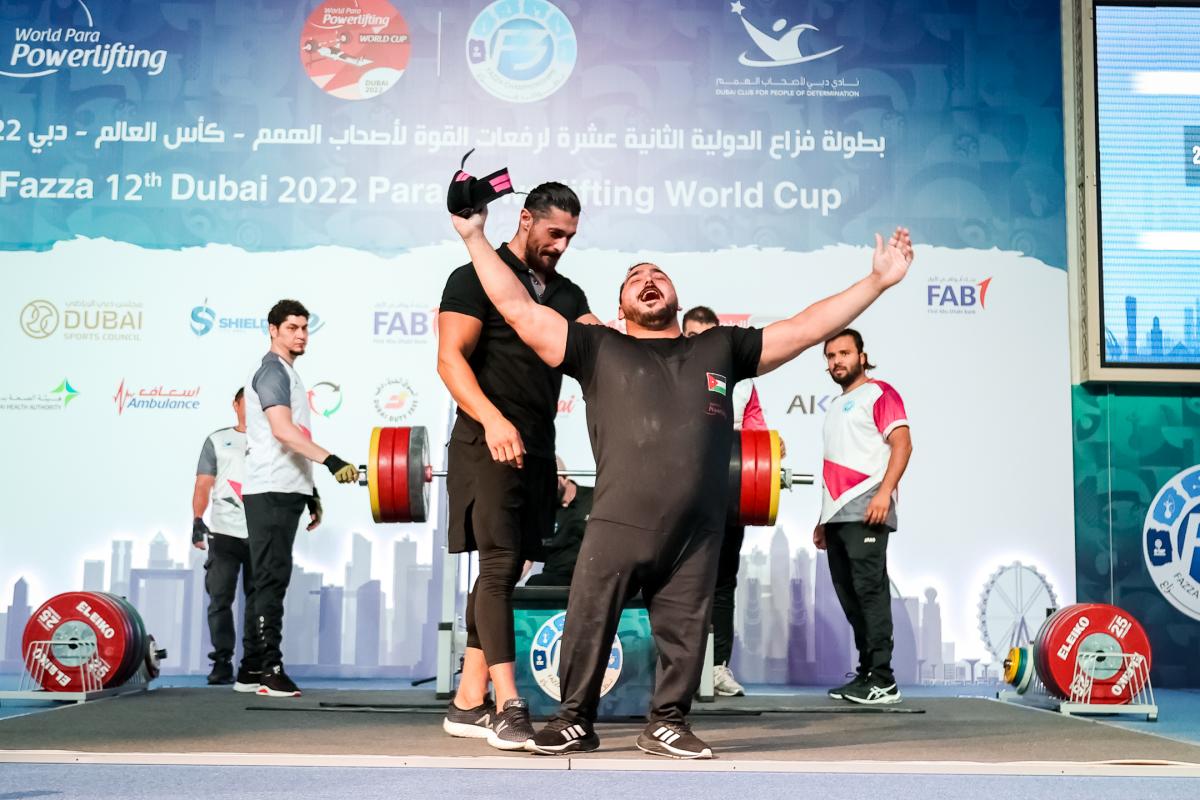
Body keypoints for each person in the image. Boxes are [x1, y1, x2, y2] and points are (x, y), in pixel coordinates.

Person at [449, 204, 912, 759]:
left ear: (674, 296)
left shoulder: (718, 346)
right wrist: (475, 236)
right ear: (619, 308)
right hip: (618, 522)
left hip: (696, 531)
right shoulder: (596, 347)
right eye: (634, 279)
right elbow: (518, 310)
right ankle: (574, 718)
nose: (647, 281)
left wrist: (878, 281)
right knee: (589, 619)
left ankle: (667, 721)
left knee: (687, 629)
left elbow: (805, 326)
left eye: (657, 275)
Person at [437, 183, 600, 750]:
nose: (560, 245)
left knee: (504, 572)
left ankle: (465, 702)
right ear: (525, 219)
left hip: (536, 449)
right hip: (487, 442)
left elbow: (598, 345)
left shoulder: (568, 292)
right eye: (553, 233)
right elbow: (449, 359)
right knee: (501, 565)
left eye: (570, 237)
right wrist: (491, 420)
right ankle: (509, 704)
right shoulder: (473, 276)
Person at [241, 299, 359, 698]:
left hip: (286, 487)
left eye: (305, 328)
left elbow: (295, 442)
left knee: (268, 579)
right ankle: (268, 671)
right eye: (292, 328)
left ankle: (252, 670)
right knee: (270, 580)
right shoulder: (272, 371)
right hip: (271, 489)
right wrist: (331, 460)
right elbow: (283, 433)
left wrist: (311, 491)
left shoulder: (289, 373)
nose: (301, 335)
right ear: (272, 330)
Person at [681, 305, 782, 697]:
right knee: (675, 584)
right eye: (692, 337)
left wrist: (773, 450)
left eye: (708, 338)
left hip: (726, 499)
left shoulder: (741, 385)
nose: (700, 345)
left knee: (721, 584)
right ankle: (673, 668)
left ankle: (717, 666)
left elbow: (757, 437)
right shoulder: (664, 375)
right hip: (677, 499)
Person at [813, 329, 912, 705]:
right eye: (831, 356)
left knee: (870, 594)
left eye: (844, 353)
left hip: (868, 507)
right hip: (838, 514)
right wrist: (822, 518)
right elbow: (835, 463)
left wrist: (885, 493)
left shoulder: (879, 393)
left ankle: (884, 679)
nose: (837, 361)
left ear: (861, 356)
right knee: (851, 596)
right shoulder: (836, 405)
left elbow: (902, 443)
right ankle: (868, 674)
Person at [191, 388, 253, 687]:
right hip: (224, 534)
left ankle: (255, 663)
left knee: (260, 602)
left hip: (261, 534)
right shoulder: (217, 440)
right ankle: (222, 661)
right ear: (236, 405)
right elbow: (204, 484)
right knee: (219, 600)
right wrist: (197, 518)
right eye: (247, 403)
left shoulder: (274, 440)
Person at [525, 459, 594, 586]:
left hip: (588, 575)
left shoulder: (593, 498)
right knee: (534, 583)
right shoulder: (543, 511)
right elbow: (528, 557)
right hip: (554, 577)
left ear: (565, 477)